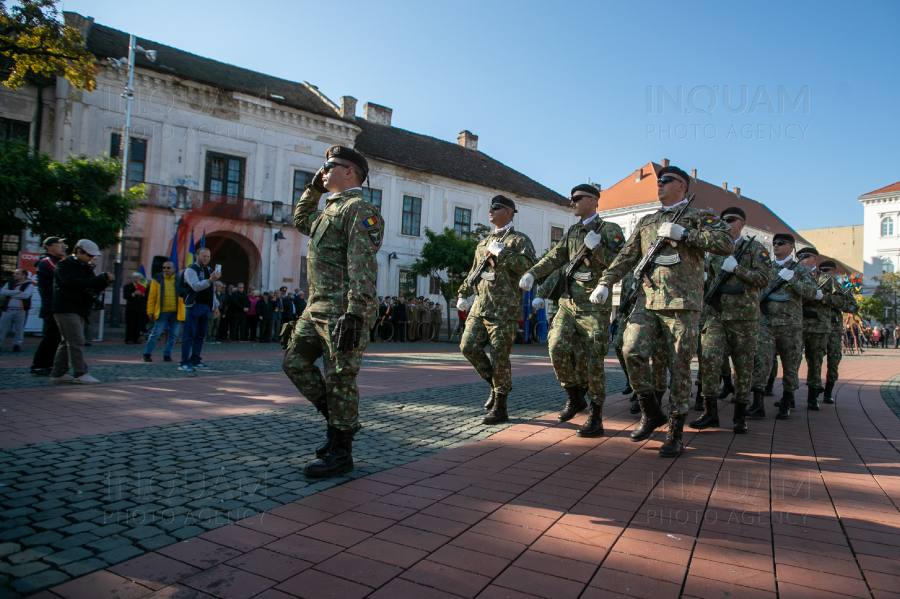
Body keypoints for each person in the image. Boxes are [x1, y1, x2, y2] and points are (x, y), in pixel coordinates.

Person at [593, 165, 733, 457]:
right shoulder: (648, 221)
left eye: (666, 180)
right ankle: (650, 410)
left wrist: (686, 235)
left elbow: (726, 243)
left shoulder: (699, 216)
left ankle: (675, 431)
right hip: (648, 300)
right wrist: (605, 281)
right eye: (659, 180)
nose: (659, 184)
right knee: (629, 349)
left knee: (679, 367)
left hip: (682, 304)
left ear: (681, 186)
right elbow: (626, 255)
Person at [282, 145, 384, 478]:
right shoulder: (329, 209)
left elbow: (362, 264)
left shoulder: (359, 209)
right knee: (294, 363)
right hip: (317, 307)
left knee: (340, 378)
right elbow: (300, 221)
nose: (323, 171)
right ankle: (342, 424)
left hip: (343, 310)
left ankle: (341, 451)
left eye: (329, 166)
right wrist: (312, 190)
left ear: (350, 172)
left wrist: (356, 313)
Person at [520, 183, 625, 436]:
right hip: (568, 304)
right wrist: (533, 273)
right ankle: (575, 396)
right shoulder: (573, 231)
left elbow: (621, 265)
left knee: (593, 361)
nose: (572, 203)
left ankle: (596, 416)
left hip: (594, 307)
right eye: (571, 198)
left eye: (577, 198)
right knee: (556, 346)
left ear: (592, 200)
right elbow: (556, 257)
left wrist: (597, 248)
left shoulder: (610, 230)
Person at [689, 207, 770, 434]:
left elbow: (764, 280)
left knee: (743, 368)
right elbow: (706, 281)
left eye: (730, 220)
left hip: (744, 319)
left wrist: (739, 269)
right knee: (710, 361)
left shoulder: (756, 249)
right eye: (722, 220)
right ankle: (710, 412)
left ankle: (740, 416)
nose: (725, 223)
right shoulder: (714, 252)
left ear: (742, 223)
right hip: (716, 315)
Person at [458, 195, 536, 425]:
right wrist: (462, 293)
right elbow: (474, 272)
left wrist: (504, 253)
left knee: (500, 357)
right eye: (490, 208)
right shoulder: (483, 243)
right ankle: (495, 385)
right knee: (468, 347)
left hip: (505, 311)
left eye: (496, 208)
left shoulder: (520, 240)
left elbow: (529, 268)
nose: (490, 211)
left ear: (509, 212)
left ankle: (500, 407)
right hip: (480, 306)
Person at [748, 234, 816, 419]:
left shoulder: (801, 269)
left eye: (780, 243)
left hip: (790, 325)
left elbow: (811, 293)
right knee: (761, 361)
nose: (776, 246)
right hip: (765, 323)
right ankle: (757, 403)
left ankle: (787, 401)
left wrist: (792, 279)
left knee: (790, 363)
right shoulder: (766, 267)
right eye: (774, 243)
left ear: (791, 246)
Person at [49, 239, 112, 384]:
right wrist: (98, 279)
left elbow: (91, 289)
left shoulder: (85, 267)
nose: (91, 259)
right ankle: (80, 373)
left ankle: (59, 373)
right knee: (76, 341)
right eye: (89, 256)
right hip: (66, 308)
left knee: (67, 342)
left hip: (78, 308)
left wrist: (104, 282)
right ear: (78, 251)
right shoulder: (64, 265)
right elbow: (72, 283)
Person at [797, 247, 843, 410]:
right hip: (798, 325)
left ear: (815, 259)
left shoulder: (827, 279)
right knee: (793, 360)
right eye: (798, 257)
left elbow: (841, 302)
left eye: (804, 257)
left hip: (819, 327)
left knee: (815, 363)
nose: (800, 259)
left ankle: (812, 397)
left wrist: (823, 297)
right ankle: (788, 396)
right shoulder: (794, 275)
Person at [179, 246, 221, 371]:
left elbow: (212, 291)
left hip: (206, 306)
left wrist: (216, 306)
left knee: (200, 335)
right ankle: (184, 362)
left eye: (208, 256)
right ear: (197, 255)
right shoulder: (190, 270)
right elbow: (195, 286)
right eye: (204, 256)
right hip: (194, 304)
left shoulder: (208, 269)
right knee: (189, 334)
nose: (206, 258)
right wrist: (210, 280)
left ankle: (195, 359)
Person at [820, 260, 857, 403]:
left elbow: (853, 307)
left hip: (834, 330)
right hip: (816, 328)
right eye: (821, 270)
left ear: (834, 272)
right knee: (814, 360)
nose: (824, 273)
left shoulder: (842, 289)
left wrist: (834, 302)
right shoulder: (816, 285)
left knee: (834, 360)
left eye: (827, 270)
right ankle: (813, 390)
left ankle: (828, 392)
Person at [30, 237, 67, 375]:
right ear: (48, 247)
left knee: (57, 337)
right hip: (51, 304)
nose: (63, 247)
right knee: (50, 336)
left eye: (64, 244)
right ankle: (38, 366)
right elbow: (61, 274)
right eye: (59, 244)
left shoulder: (59, 260)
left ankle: (49, 364)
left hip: (59, 304)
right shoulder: (47, 261)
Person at [143, 261, 184, 363]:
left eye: (168, 268)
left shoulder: (179, 280)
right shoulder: (157, 280)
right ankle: (146, 354)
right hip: (161, 312)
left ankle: (167, 355)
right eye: (164, 267)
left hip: (176, 312)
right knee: (155, 334)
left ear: (173, 269)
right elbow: (152, 297)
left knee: (173, 335)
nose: (166, 269)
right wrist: (150, 311)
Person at [0, 269, 35, 352]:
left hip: (21, 310)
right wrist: (17, 292)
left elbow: (25, 295)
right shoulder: (10, 283)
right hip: (7, 309)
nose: (14, 275)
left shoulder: (29, 285)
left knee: (19, 329)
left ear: (23, 275)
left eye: (17, 273)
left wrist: (10, 294)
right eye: (14, 273)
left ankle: (17, 344)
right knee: (2, 328)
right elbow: (2, 292)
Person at [122, 273, 148, 344]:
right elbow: (125, 296)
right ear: (132, 278)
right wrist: (133, 294)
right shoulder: (127, 286)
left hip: (141, 308)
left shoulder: (144, 286)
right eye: (134, 278)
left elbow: (148, 296)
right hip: (131, 308)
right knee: (130, 324)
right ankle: (129, 339)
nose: (136, 279)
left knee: (138, 324)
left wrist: (142, 294)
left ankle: (136, 339)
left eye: (137, 278)